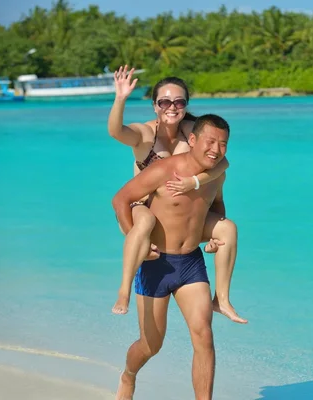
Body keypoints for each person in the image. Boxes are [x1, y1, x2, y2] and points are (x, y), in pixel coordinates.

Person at [108, 66, 246, 324]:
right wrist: (120, 98)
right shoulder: (146, 134)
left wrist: (195, 181)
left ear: (186, 105)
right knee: (145, 222)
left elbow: (222, 161)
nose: (172, 107)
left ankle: (223, 299)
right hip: (141, 205)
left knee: (228, 229)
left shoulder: (192, 130)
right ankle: (123, 291)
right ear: (154, 106)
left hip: (181, 215)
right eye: (164, 102)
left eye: (179, 101)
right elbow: (116, 132)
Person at [112, 114, 231, 400]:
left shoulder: (218, 174)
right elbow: (121, 199)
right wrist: (136, 239)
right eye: (210, 141)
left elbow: (216, 207)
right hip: (156, 265)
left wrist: (214, 236)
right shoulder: (164, 169)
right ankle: (128, 376)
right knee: (151, 345)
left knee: (203, 335)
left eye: (223, 144)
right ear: (192, 140)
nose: (216, 149)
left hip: (190, 263)